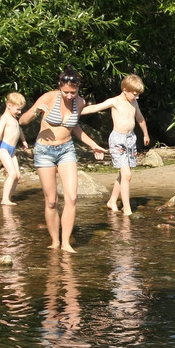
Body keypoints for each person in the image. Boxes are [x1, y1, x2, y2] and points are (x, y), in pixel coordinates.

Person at [20, 66, 107, 252]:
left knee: (72, 197)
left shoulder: (80, 102)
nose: (69, 96)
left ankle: (66, 243)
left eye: (73, 92)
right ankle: (55, 241)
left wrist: (93, 145)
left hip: (67, 150)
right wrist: (35, 113)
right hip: (44, 151)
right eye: (66, 92)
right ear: (60, 86)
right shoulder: (48, 98)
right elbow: (22, 121)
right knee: (51, 201)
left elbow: (75, 128)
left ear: (78, 89)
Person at [81, 74, 150, 215]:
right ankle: (127, 209)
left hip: (131, 138)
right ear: (125, 90)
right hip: (118, 139)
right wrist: (74, 112)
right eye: (135, 94)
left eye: (138, 95)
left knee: (124, 175)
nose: (137, 97)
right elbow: (95, 108)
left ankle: (112, 201)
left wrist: (145, 133)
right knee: (127, 174)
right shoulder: (115, 101)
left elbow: (140, 118)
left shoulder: (134, 103)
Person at [0, 92, 30, 206]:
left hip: (12, 150)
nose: (19, 112)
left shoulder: (14, 119)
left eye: (21, 110)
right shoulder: (5, 118)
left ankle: (8, 197)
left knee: (17, 175)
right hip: (3, 148)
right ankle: (4, 199)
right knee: (11, 173)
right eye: (18, 109)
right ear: (9, 105)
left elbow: (19, 130)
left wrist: (24, 140)